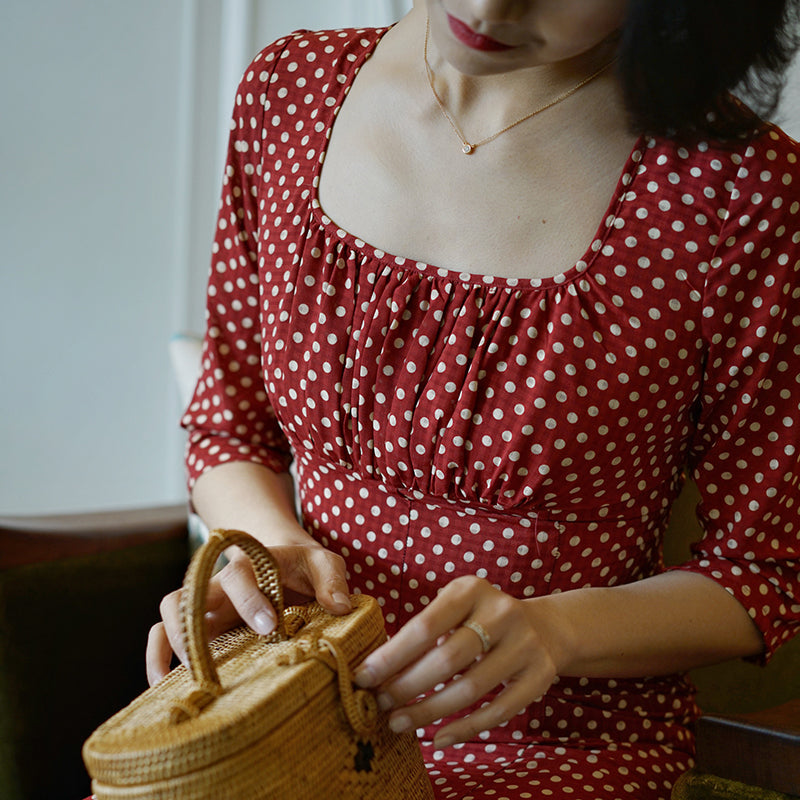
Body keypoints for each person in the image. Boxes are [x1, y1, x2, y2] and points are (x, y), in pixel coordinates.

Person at [146, 1, 800, 798]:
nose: (492, 4)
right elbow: (227, 429)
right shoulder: (290, 91)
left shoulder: (740, 195)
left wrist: (556, 631)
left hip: (551, 747)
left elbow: (762, 570)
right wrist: (273, 551)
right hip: (293, 722)